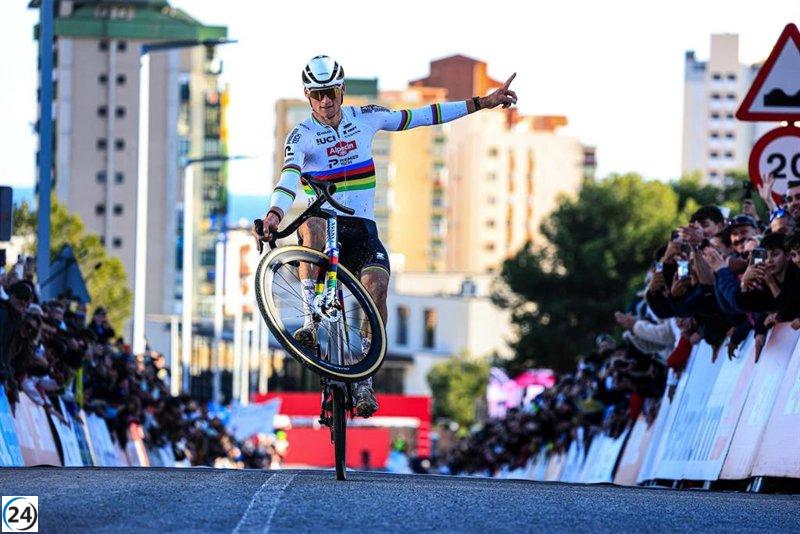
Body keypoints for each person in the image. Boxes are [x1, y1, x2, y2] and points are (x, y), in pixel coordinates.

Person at [253, 55, 518, 417]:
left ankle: (364, 379)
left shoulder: (366, 118)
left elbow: (425, 116)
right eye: (317, 95)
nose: (326, 102)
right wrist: (273, 213)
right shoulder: (302, 136)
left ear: (342, 90)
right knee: (309, 225)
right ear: (307, 96)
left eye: (331, 92)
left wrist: (482, 103)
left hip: (361, 230)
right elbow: (287, 179)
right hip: (325, 223)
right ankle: (312, 319)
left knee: (377, 287)